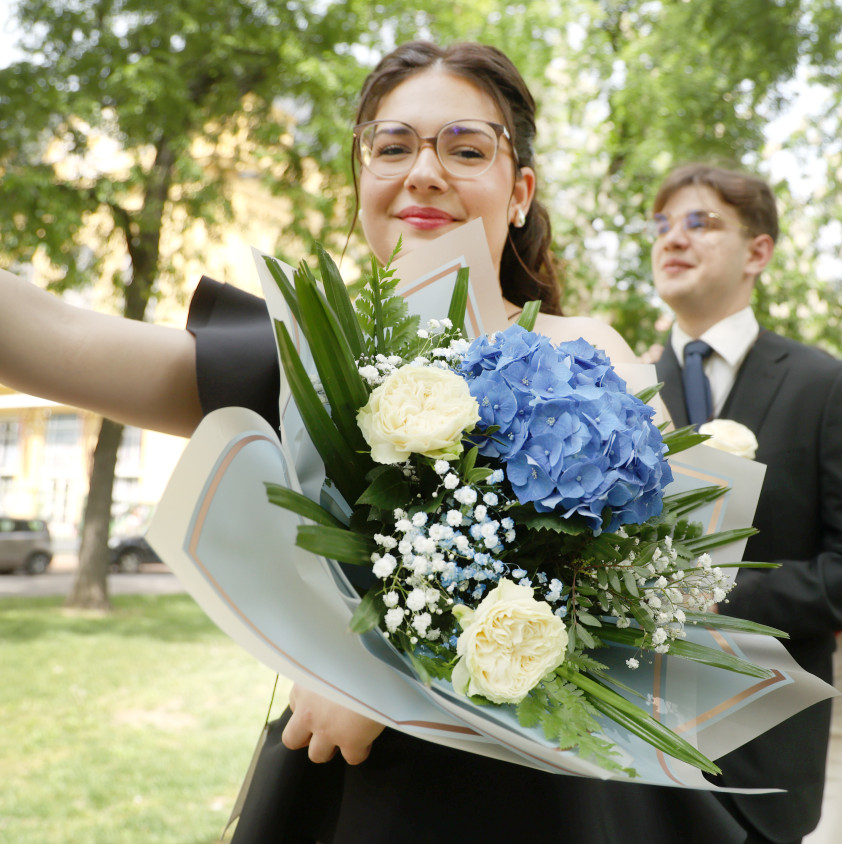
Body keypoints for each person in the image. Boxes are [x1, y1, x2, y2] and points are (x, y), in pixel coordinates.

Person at [0, 41, 756, 844]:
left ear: (520, 190)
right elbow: (56, 338)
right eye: (392, 147)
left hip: (565, 796)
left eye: (465, 149)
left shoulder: (596, 354)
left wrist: (390, 670)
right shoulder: (304, 362)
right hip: (367, 796)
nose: (423, 171)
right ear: (363, 181)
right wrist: (348, 667)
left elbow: (652, 597)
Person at [649, 163, 842, 843]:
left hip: (757, 755)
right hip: (621, 744)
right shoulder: (621, 381)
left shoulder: (824, 385)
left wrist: (717, 596)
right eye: (662, 225)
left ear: (758, 252)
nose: (673, 239)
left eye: (700, 222)